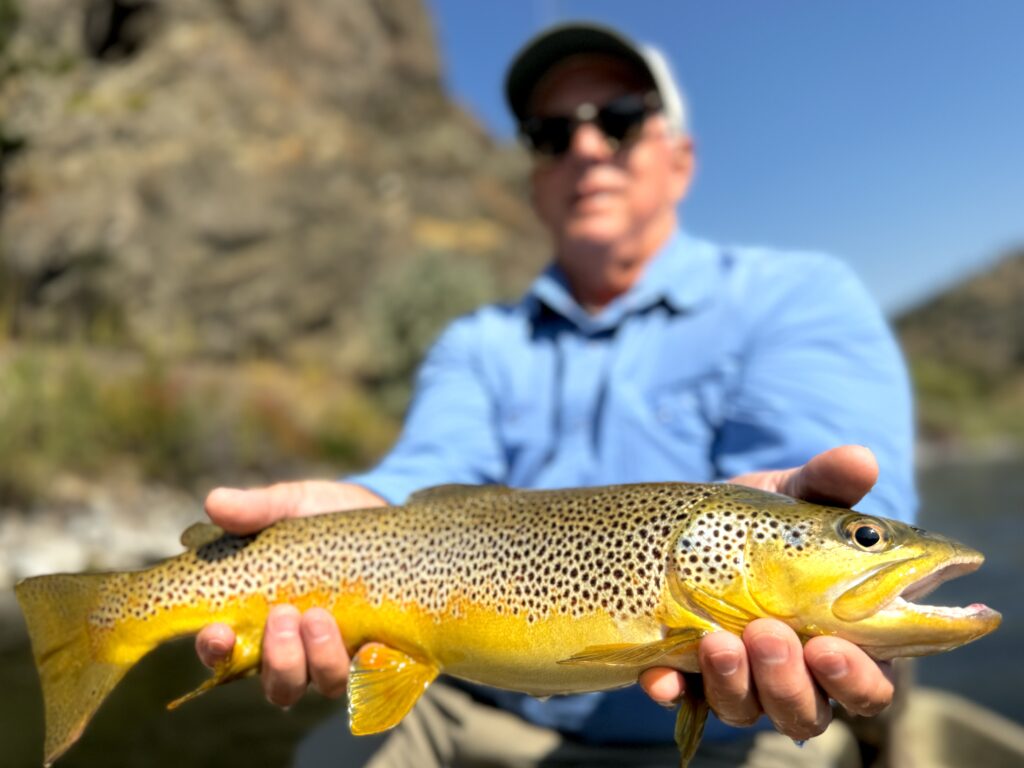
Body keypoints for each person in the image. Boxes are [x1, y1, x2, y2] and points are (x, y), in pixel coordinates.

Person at [196, 22, 916, 767]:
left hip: (742, 734)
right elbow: (424, 479)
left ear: (680, 159)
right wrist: (363, 511)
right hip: (466, 709)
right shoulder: (476, 342)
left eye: (621, 120)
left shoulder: (796, 298)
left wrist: (833, 541)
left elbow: (831, 510)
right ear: (535, 179)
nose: (586, 149)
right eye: (550, 134)